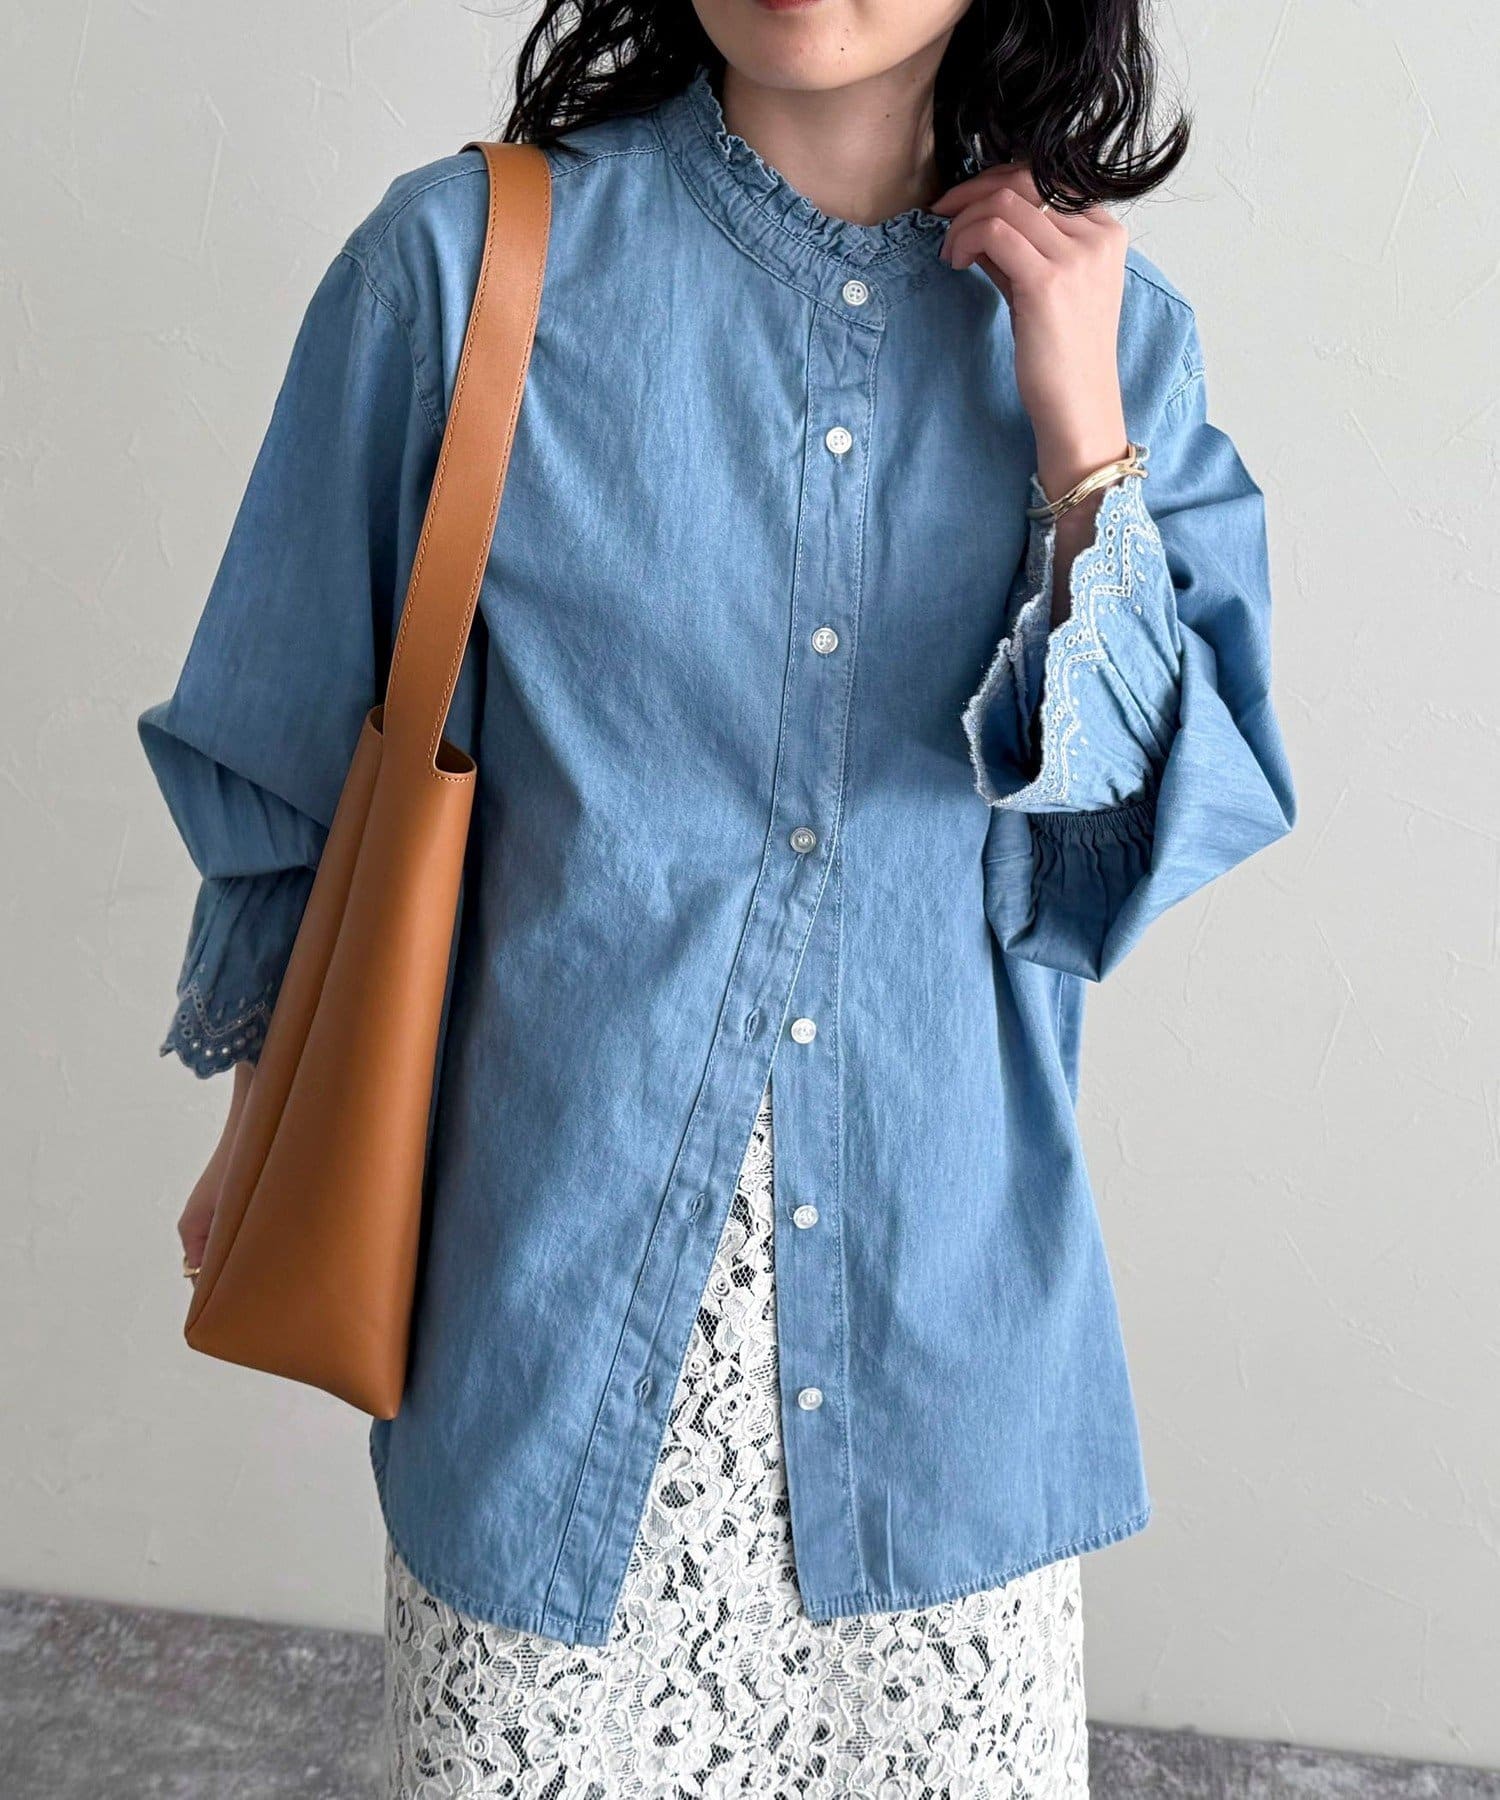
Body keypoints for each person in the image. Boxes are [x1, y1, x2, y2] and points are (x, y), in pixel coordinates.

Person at [138, 1, 1296, 1792]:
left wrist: (1084, 446)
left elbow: (1119, 855)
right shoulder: (460, 270)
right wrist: (267, 1120)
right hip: (541, 1367)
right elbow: (293, 753)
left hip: (944, 1398)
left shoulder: (1120, 343)